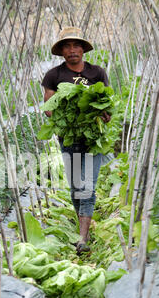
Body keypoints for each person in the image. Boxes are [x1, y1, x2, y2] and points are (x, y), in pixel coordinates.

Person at [41, 26, 111, 255]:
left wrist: (103, 114)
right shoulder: (54, 75)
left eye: (76, 45)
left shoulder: (97, 73)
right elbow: (49, 109)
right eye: (67, 46)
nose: (72, 50)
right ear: (62, 51)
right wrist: (70, 114)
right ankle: (81, 221)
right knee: (75, 187)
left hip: (93, 138)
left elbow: (107, 103)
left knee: (87, 187)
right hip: (69, 138)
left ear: (83, 49)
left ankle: (83, 237)